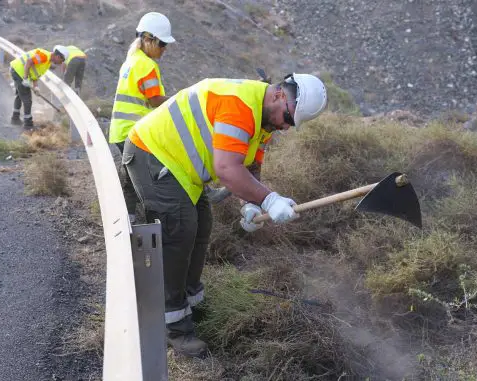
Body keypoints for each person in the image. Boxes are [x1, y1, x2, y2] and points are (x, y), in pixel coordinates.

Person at [122, 74, 328, 357]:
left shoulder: (264, 118)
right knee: (180, 231)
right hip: (151, 152)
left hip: (181, 168)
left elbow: (250, 165)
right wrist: (269, 199)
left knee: (201, 225)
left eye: (291, 123)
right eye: (288, 119)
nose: (285, 126)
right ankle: (174, 327)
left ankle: (191, 305)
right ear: (280, 94)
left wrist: (251, 204)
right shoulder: (240, 104)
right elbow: (227, 169)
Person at [109, 11, 175, 223]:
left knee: (130, 177)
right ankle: (154, 226)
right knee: (154, 181)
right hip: (136, 133)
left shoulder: (131, 61)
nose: (165, 49)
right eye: (162, 44)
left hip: (122, 131)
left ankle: (127, 222)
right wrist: (178, 101)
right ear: (148, 39)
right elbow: (155, 99)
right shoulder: (147, 65)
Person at [9, 46, 68, 128]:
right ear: (58, 56)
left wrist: (36, 87)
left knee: (20, 95)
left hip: (18, 71)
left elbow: (35, 73)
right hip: (18, 72)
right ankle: (28, 125)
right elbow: (29, 62)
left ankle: (15, 119)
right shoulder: (44, 56)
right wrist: (25, 78)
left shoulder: (47, 62)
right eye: (61, 61)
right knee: (27, 99)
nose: (60, 63)